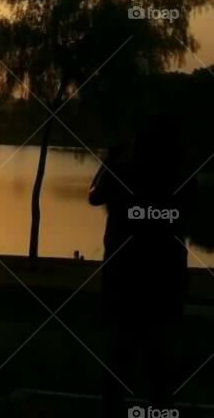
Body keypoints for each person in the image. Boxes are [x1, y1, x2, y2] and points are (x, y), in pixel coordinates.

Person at [89, 114, 198, 417]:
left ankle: (114, 408)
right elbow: (191, 210)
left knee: (121, 349)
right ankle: (159, 407)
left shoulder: (123, 171)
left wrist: (109, 159)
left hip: (125, 274)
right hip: (166, 274)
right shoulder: (181, 176)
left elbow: (94, 196)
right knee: (159, 353)